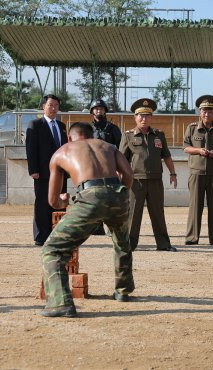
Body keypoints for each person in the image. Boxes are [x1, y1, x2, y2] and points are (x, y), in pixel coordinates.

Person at [40, 122, 134, 317]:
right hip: (119, 193)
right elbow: (129, 174)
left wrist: (64, 201)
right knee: (121, 241)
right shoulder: (108, 146)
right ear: (92, 136)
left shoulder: (61, 152)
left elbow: (53, 201)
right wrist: (117, 196)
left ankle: (60, 303)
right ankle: (123, 292)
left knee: (52, 249)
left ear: (70, 138)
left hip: (90, 195)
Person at [119, 98, 177, 252]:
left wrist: (173, 173)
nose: (144, 119)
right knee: (133, 215)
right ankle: (129, 245)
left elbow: (167, 156)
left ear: (151, 117)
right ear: (135, 117)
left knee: (158, 213)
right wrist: (121, 179)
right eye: (141, 116)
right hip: (136, 181)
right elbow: (121, 159)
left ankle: (163, 244)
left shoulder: (159, 135)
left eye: (147, 116)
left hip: (155, 181)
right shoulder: (128, 136)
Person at [183, 95, 213, 245]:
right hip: (196, 173)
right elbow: (185, 147)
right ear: (200, 112)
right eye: (204, 111)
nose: (207, 114)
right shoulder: (192, 128)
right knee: (195, 206)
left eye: (210, 111)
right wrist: (198, 151)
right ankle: (192, 238)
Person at [25, 94, 68, 246]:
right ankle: (41, 236)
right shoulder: (35, 124)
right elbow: (31, 148)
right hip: (42, 173)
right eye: (50, 105)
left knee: (60, 203)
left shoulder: (62, 126)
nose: (53, 108)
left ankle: (58, 236)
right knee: (42, 203)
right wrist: (33, 170)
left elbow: (65, 149)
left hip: (60, 173)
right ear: (43, 106)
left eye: (56, 105)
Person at [89, 99, 122, 236]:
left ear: (105, 111)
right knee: (94, 197)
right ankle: (96, 227)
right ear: (92, 111)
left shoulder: (113, 128)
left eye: (101, 109)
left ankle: (111, 228)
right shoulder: (88, 128)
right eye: (96, 109)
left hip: (109, 168)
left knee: (110, 199)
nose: (99, 111)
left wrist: (119, 168)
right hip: (92, 168)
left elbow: (120, 149)